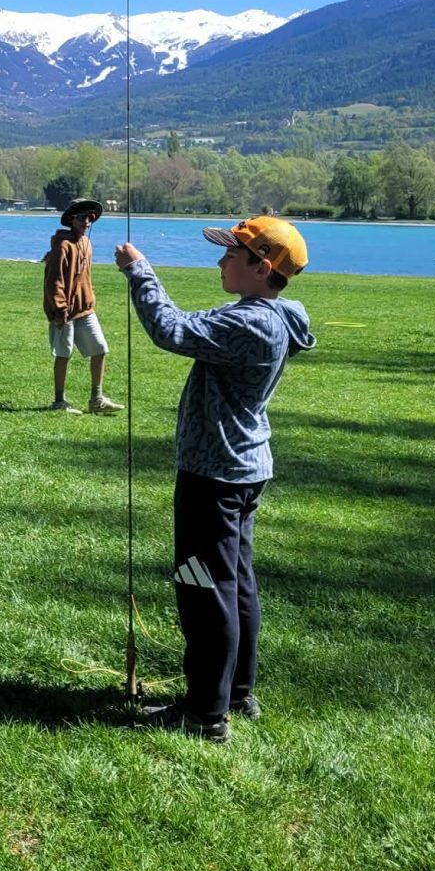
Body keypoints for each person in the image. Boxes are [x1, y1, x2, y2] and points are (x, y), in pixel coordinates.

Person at [115, 216, 315, 743]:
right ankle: (235, 694)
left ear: (262, 267)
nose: (221, 262)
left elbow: (171, 329)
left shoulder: (251, 323)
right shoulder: (271, 316)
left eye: (231, 254)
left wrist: (140, 271)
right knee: (235, 583)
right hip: (241, 469)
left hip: (216, 474)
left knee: (203, 587)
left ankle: (205, 714)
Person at [43, 199, 123, 415]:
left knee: (100, 349)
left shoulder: (87, 243)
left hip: (86, 310)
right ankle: (59, 401)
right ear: (71, 219)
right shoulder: (62, 246)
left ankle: (96, 399)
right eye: (81, 218)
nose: (86, 222)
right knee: (63, 355)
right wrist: (60, 310)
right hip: (64, 313)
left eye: (90, 217)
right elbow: (54, 282)